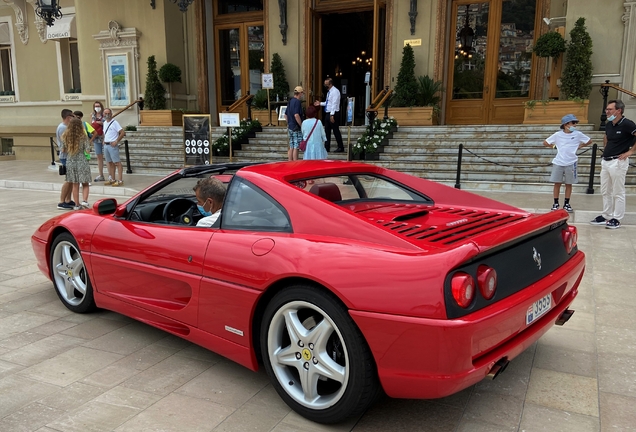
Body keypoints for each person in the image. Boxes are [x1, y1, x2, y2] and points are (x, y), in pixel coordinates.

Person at [590, 99, 636, 229]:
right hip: (606, 160)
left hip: (618, 161)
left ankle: (617, 217)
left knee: (618, 191)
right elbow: (606, 137)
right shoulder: (609, 124)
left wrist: (631, 151)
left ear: (618, 110)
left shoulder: (627, 124)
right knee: (605, 190)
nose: (607, 111)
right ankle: (606, 215)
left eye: (610, 109)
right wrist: (606, 148)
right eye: (606, 109)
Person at [542, 114, 592, 212]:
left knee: (569, 183)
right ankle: (555, 203)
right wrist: (554, 147)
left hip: (571, 161)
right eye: (573, 123)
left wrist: (580, 146)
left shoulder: (578, 134)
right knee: (557, 183)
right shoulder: (558, 135)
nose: (575, 125)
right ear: (566, 124)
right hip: (559, 161)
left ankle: (567, 203)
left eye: (575, 123)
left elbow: (589, 141)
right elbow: (545, 142)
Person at [62, 118, 92, 210]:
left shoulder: (65, 136)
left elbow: (63, 150)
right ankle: (85, 201)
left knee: (75, 184)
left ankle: (77, 204)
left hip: (71, 161)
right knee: (85, 183)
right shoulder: (83, 136)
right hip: (82, 161)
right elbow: (87, 149)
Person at [314, 77, 344, 152]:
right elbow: (328, 103)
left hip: (333, 113)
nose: (325, 85)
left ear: (330, 84)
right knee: (327, 130)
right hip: (328, 112)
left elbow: (334, 104)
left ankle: (340, 146)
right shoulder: (329, 92)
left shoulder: (335, 92)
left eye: (326, 84)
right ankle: (327, 147)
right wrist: (320, 103)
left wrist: (332, 115)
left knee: (335, 130)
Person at [57, 109, 76, 210]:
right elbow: (65, 144)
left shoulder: (66, 127)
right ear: (68, 117)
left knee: (71, 179)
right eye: (73, 116)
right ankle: (61, 201)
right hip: (66, 157)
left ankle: (68, 200)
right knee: (68, 179)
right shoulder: (63, 128)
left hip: (70, 156)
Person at [102, 108, 126, 186]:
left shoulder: (115, 123)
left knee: (117, 162)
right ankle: (112, 178)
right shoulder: (105, 122)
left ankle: (120, 180)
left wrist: (116, 141)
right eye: (105, 113)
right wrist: (104, 139)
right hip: (106, 144)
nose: (107, 115)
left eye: (108, 113)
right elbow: (105, 133)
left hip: (112, 145)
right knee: (110, 162)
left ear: (111, 114)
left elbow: (122, 132)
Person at [285, 85, 304, 161]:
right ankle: (295, 163)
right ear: (300, 93)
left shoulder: (290, 101)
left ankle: (290, 162)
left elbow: (285, 115)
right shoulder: (297, 102)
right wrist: (301, 125)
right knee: (296, 146)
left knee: (291, 146)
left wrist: (289, 123)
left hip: (290, 126)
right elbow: (296, 115)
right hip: (296, 127)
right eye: (302, 93)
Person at [91, 101, 106, 182]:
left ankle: (111, 175)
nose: (97, 107)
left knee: (107, 156)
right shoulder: (92, 114)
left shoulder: (104, 114)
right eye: (96, 106)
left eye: (98, 106)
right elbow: (91, 124)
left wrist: (100, 123)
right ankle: (101, 174)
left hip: (104, 137)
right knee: (99, 156)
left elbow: (107, 123)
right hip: (96, 137)